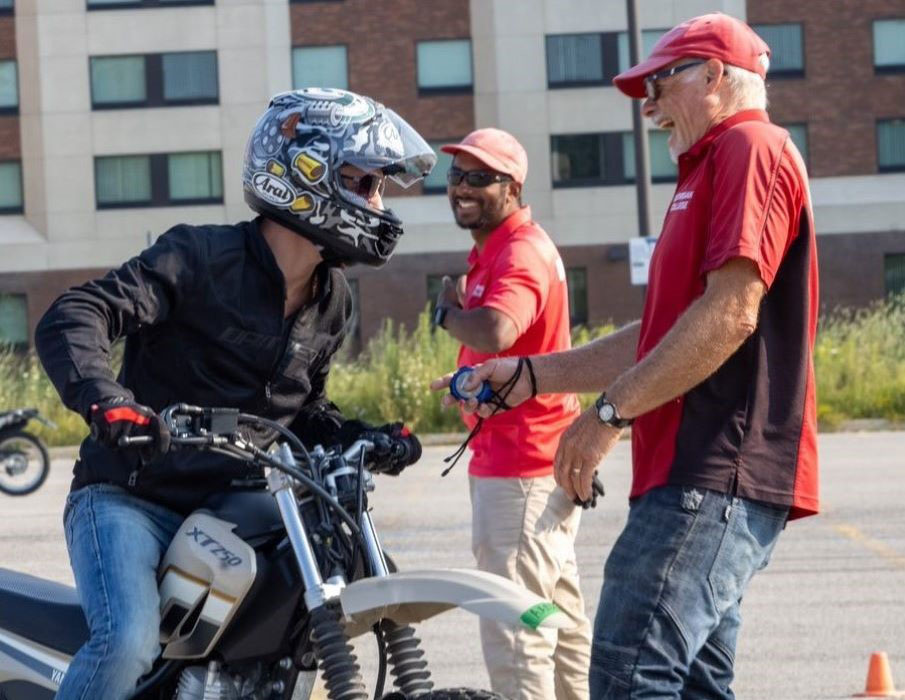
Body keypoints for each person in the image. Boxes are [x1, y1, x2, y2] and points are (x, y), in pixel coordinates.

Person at [434, 13, 819, 699]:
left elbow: (729, 314)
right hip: (695, 473)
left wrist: (607, 415)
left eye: (659, 83)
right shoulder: (707, 166)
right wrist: (531, 376)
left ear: (711, 74)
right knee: (691, 687)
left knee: (625, 676)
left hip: (713, 472)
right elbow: (662, 332)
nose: (648, 106)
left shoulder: (748, 148)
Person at [34, 87, 435, 700]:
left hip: (235, 512)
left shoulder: (332, 300)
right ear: (305, 175)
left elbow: (304, 411)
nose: (376, 203)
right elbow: (78, 314)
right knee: (128, 642)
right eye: (363, 183)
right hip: (131, 497)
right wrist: (108, 401)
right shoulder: (197, 256)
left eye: (379, 186)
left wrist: (361, 437)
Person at [432, 128, 592, 700]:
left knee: (517, 631)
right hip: (536, 464)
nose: (462, 188)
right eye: (456, 176)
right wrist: (466, 383)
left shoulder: (519, 251)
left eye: (480, 177)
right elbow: (513, 351)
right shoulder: (498, 249)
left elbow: (499, 328)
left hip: (521, 473)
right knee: (559, 622)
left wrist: (445, 314)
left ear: (513, 186)